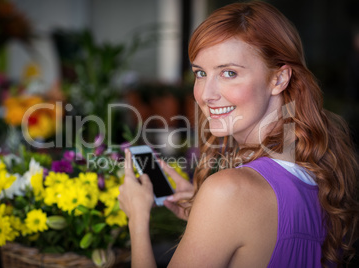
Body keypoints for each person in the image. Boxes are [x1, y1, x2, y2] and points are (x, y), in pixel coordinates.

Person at [118, 1, 359, 267]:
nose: (206, 94)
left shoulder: (229, 191)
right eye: (200, 73)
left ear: (279, 79)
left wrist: (137, 219)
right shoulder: (319, 169)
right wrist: (204, 213)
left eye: (229, 73)